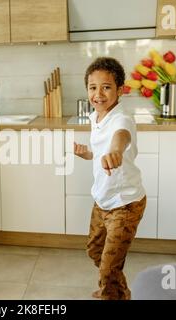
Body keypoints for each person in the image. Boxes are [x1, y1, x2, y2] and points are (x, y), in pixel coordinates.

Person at [74, 57, 147, 300]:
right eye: (93, 87)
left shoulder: (121, 118)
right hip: (102, 199)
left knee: (107, 268)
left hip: (125, 204)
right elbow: (102, 151)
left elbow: (121, 136)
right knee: (95, 251)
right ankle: (119, 290)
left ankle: (111, 292)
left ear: (120, 90)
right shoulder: (96, 117)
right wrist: (89, 154)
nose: (98, 94)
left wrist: (116, 151)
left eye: (106, 87)